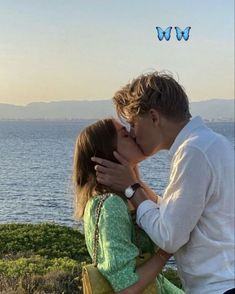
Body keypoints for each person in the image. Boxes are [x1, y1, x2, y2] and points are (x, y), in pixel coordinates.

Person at [91, 72, 235, 294]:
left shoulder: (193, 152)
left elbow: (169, 237)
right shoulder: (214, 144)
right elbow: (175, 213)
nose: (132, 133)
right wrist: (134, 180)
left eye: (132, 123)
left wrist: (131, 189)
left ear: (154, 117)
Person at [73, 118, 184, 293]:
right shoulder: (111, 205)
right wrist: (166, 251)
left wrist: (134, 180)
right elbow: (126, 286)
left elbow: (166, 214)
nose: (133, 135)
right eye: (125, 134)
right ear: (109, 150)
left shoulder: (128, 194)